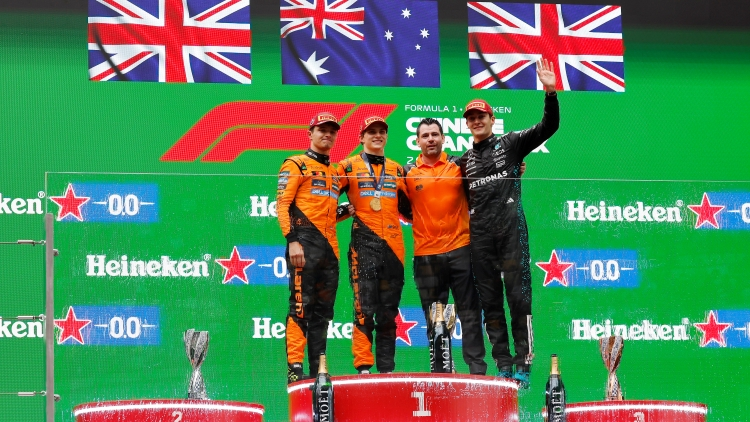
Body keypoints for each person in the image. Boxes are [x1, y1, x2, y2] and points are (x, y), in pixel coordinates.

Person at [459, 58, 560, 387]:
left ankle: (523, 362)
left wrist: (550, 92)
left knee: (519, 299)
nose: (477, 121)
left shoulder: (512, 143)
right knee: (490, 303)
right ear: (467, 124)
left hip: (512, 232)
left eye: (481, 116)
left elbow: (548, 127)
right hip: (480, 239)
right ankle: (502, 363)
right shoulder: (462, 163)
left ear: (492, 119)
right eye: (471, 118)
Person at [402, 118, 487, 375]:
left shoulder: (459, 165)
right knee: (433, 316)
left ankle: (476, 370)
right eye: (425, 135)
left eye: (435, 134)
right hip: (426, 255)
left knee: (470, 312)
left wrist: (517, 168)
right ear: (417, 141)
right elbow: (401, 208)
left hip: (461, 249)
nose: (430, 139)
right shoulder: (407, 172)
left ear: (443, 138)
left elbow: (486, 182)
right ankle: (441, 369)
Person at [276, 112, 351, 384]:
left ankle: (319, 368)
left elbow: (324, 214)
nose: (327, 134)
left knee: (323, 313)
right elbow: (282, 205)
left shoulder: (335, 172)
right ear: (310, 133)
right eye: (322, 130)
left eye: (332, 131)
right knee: (300, 307)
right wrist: (292, 241)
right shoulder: (296, 163)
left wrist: (345, 211)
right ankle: (294, 369)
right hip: (304, 245)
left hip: (330, 251)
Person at [336, 116, 410, 374]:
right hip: (364, 245)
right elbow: (322, 200)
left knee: (389, 313)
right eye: (371, 132)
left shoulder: (398, 169)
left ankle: (387, 370)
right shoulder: (347, 166)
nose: (377, 135)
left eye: (381, 131)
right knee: (364, 309)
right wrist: (342, 211)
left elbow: (412, 209)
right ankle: (364, 368)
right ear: (361, 138)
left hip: (394, 248)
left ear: (386, 136)